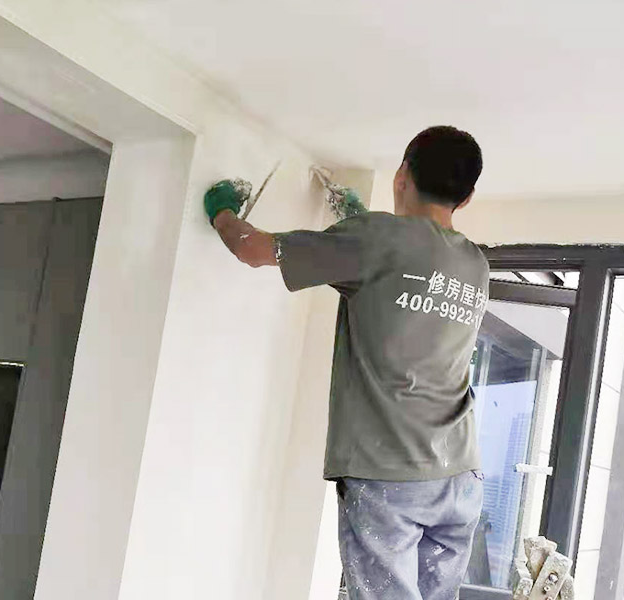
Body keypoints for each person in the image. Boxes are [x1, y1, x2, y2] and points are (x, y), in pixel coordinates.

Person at [208, 126, 489, 600]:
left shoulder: (374, 239)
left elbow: (252, 248)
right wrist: (356, 226)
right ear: (467, 198)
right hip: (459, 475)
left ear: (402, 175)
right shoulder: (474, 264)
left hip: (391, 474)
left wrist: (222, 212)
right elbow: (404, 279)